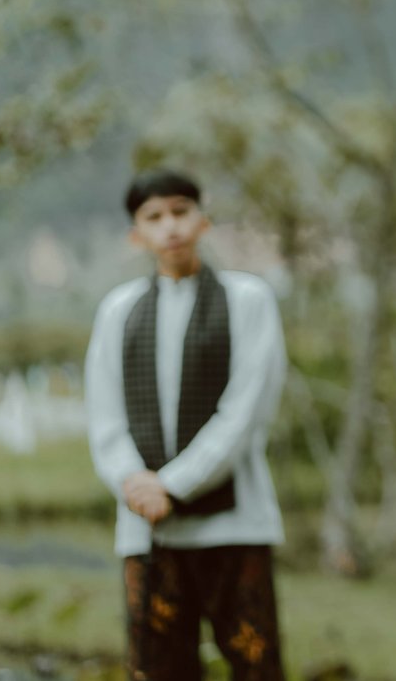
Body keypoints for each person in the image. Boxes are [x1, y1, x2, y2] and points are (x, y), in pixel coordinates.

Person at [84, 169, 288, 680]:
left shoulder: (248, 300)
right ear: (136, 235)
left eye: (180, 211)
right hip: (148, 527)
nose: (170, 226)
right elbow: (105, 419)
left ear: (203, 221)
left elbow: (244, 413)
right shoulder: (119, 311)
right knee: (158, 669)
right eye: (153, 217)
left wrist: (171, 485)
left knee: (255, 663)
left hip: (234, 523)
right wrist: (136, 485)